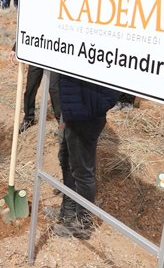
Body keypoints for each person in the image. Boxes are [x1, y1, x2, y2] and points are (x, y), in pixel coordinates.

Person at [50, 74, 119, 240]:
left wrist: (91, 107)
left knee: (82, 171)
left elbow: (113, 89)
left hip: (84, 113)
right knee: (66, 159)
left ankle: (82, 224)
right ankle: (67, 211)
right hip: (71, 108)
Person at [9, 42, 61, 133]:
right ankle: (28, 119)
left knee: (54, 90)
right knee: (30, 89)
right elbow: (27, 29)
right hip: (38, 54)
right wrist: (15, 48)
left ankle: (62, 125)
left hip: (55, 55)